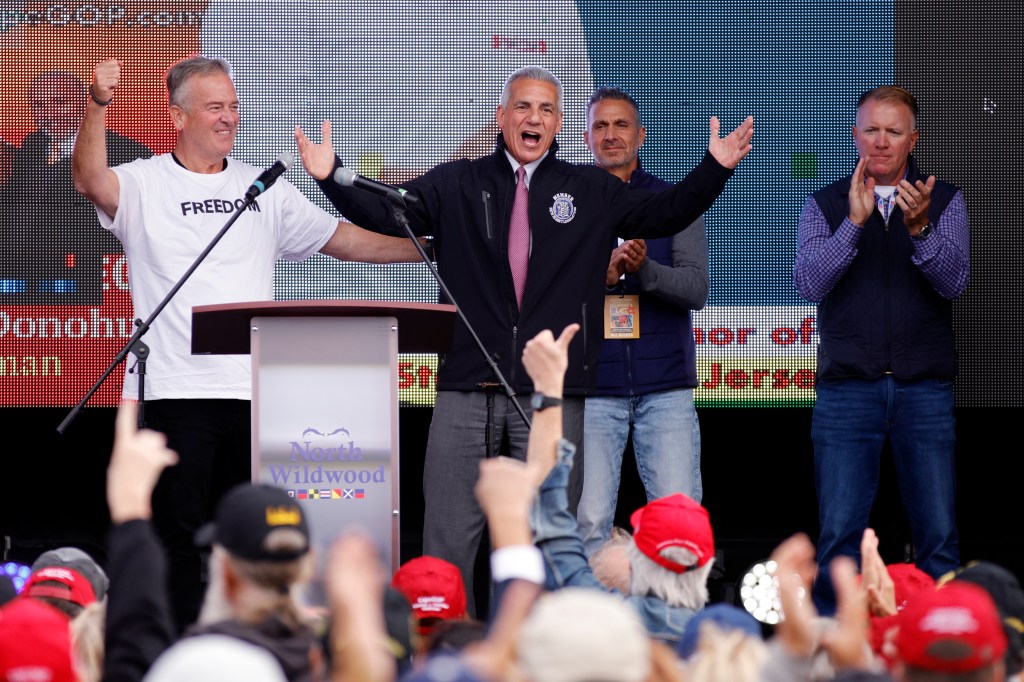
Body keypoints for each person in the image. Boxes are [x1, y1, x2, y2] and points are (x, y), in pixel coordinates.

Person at [297, 66, 753, 616]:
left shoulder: (590, 189)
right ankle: (447, 648)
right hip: (467, 384)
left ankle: (531, 651)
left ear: (558, 125)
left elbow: (667, 211)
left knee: (542, 544)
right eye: (522, 106)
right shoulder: (458, 182)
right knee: (448, 539)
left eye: (546, 109)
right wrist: (331, 176)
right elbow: (392, 213)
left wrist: (714, 169)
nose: (534, 117)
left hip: (550, 396)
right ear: (501, 117)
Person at [72, 56, 423, 634]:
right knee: (177, 537)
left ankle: (252, 646)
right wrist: (96, 106)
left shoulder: (264, 187)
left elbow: (345, 240)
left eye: (234, 107)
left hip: (253, 397)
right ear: (177, 117)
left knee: (253, 535)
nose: (229, 118)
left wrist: (432, 249)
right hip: (172, 393)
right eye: (215, 107)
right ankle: (178, 649)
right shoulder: (145, 180)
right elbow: (90, 180)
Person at [794, 85, 969, 615]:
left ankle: (944, 640)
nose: (882, 141)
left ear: (913, 140)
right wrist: (853, 224)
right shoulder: (824, 203)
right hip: (848, 391)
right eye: (871, 129)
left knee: (938, 535)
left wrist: (921, 230)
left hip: (924, 391)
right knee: (839, 536)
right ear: (855, 135)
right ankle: (832, 644)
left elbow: (955, 284)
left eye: (894, 131)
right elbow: (809, 283)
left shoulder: (945, 200)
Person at [577, 86, 709, 557]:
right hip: (591, 389)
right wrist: (602, 275)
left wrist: (644, 271)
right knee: (588, 522)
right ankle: (589, 609)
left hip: (665, 389)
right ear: (587, 137)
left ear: (642, 135)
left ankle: (673, 610)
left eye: (621, 124)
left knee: (679, 523)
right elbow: (545, 294)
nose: (611, 134)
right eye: (600, 125)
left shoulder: (673, 202)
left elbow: (696, 289)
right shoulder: (566, 203)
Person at [0, 70, 151, 305]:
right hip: (32, 277)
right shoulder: (32, 145)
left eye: (60, 102)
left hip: (98, 281)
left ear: (84, 103)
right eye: (39, 105)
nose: (49, 113)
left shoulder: (126, 152)